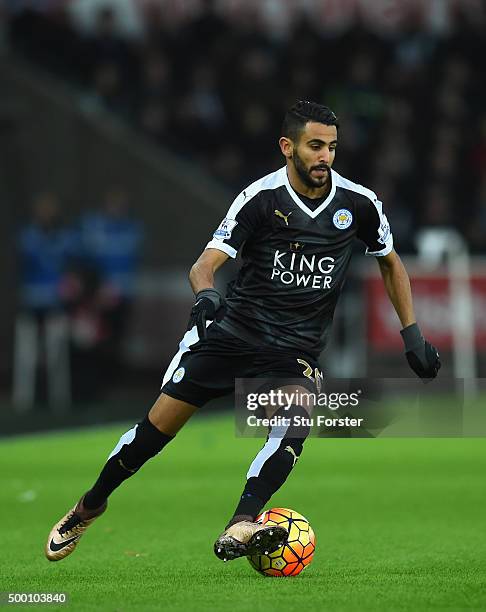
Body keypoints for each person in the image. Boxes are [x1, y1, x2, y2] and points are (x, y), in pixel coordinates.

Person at [45, 101, 440, 562]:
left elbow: (390, 263)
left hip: (293, 349)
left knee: (296, 420)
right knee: (152, 436)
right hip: (232, 335)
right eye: (315, 146)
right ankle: (89, 505)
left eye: (332, 147)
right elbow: (204, 266)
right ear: (287, 147)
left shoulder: (358, 204)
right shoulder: (261, 198)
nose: (325, 157)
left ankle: (242, 522)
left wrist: (411, 334)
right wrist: (206, 297)